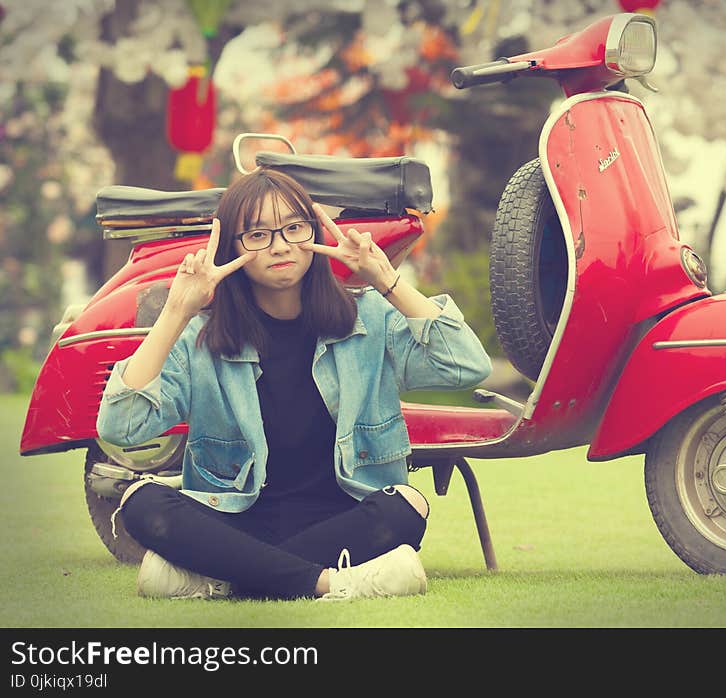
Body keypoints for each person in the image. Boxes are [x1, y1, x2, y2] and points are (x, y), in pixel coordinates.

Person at [96, 168, 492, 602]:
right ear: (233, 247)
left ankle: (224, 580)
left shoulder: (369, 317)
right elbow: (121, 427)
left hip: (344, 514)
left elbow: (466, 366)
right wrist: (176, 311)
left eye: (294, 228)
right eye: (258, 235)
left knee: (405, 507)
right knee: (140, 503)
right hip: (236, 516)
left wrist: (387, 280)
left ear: (313, 231)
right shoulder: (202, 337)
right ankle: (330, 583)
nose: (281, 245)